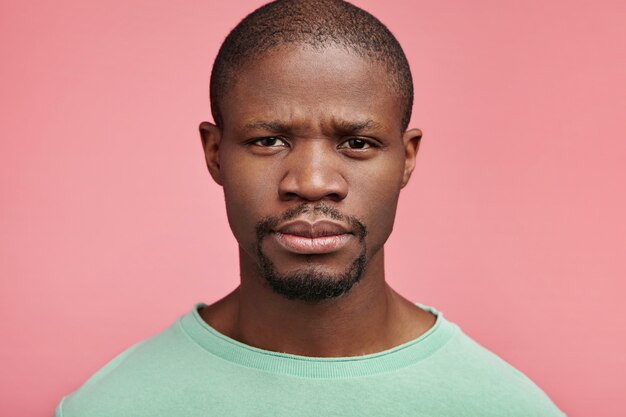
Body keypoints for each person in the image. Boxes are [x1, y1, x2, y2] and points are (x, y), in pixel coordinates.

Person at [55, 1, 565, 416]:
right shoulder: (111, 406)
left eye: (358, 143)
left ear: (406, 159)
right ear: (215, 154)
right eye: (269, 140)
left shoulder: (505, 407)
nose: (313, 182)